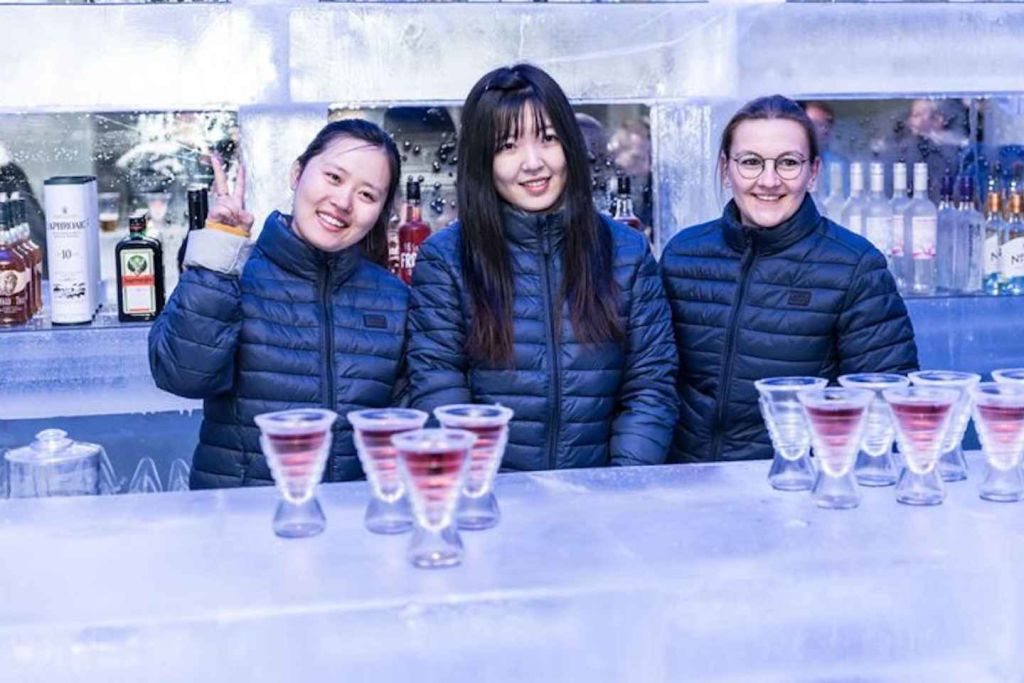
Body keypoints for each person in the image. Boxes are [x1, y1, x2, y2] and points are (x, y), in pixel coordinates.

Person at [405, 64, 678, 471]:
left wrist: (621, 487)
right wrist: (483, 490)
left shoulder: (627, 252)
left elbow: (650, 388)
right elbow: (438, 388)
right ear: (483, 160)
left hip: (603, 496)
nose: (533, 163)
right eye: (507, 146)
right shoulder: (446, 259)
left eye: (548, 138)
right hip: (491, 494)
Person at [149, 119, 408, 489]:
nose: (343, 202)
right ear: (297, 173)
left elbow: (405, 432)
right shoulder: (233, 274)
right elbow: (181, 376)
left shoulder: (393, 299)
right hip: (239, 514)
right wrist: (220, 244)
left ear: (381, 211)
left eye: (367, 195)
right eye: (334, 177)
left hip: (351, 516)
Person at [660, 95, 918, 464]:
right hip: (687, 480)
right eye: (751, 162)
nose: (769, 181)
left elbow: (885, 401)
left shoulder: (854, 266)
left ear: (813, 172)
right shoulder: (683, 255)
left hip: (798, 481)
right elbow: (649, 382)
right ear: (725, 169)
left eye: (789, 163)